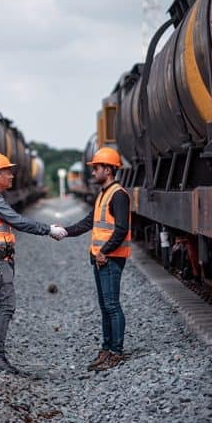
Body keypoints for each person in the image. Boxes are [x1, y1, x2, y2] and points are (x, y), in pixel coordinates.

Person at [0, 152, 67, 374]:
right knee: (6, 305)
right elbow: (17, 221)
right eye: (7, 172)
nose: (12, 175)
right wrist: (48, 229)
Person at [58, 146, 131, 371]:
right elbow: (88, 222)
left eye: (96, 168)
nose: (93, 172)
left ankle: (116, 352)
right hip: (101, 258)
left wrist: (104, 251)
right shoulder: (104, 194)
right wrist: (64, 231)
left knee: (112, 305)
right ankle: (107, 348)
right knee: (104, 306)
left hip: (110, 259)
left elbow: (121, 229)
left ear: (108, 170)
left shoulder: (118, 195)